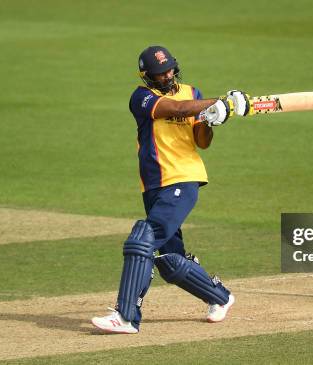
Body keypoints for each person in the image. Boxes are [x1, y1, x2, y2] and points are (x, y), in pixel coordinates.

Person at [91, 46, 251, 334]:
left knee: (143, 238)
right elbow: (175, 109)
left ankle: (126, 316)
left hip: (183, 178)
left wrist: (211, 118)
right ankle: (221, 297)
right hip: (153, 184)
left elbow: (202, 141)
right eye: (159, 73)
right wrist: (222, 102)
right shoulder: (141, 97)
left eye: (169, 69)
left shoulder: (193, 93)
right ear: (147, 76)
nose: (167, 75)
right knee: (169, 260)